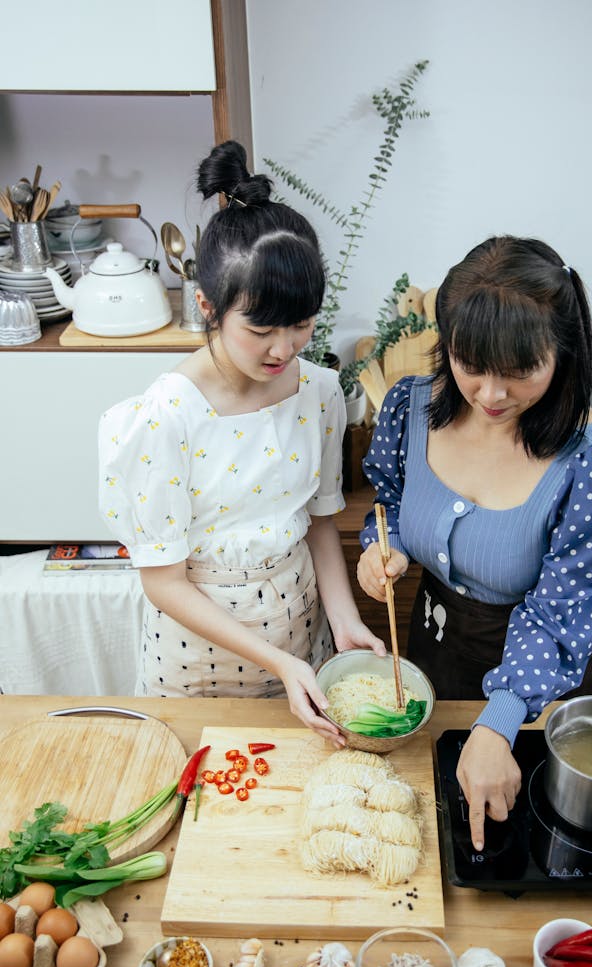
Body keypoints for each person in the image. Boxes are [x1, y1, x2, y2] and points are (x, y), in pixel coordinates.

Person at [98, 140, 383, 743]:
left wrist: (344, 617)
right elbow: (163, 581)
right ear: (208, 306)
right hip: (198, 661)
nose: (284, 349)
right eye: (260, 329)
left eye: (302, 325)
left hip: (304, 633)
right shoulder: (165, 418)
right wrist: (274, 660)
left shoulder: (321, 392)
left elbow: (320, 519)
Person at [357, 235, 592, 848]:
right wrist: (383, 549)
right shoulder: (411, 407)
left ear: (563, 354)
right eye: (471, 366)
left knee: (522, 840)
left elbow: (560, 609)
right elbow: (389, 502)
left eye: (518, 374)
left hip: (537, 678)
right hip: (433, 652)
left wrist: (501, 721)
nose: (489, 396)